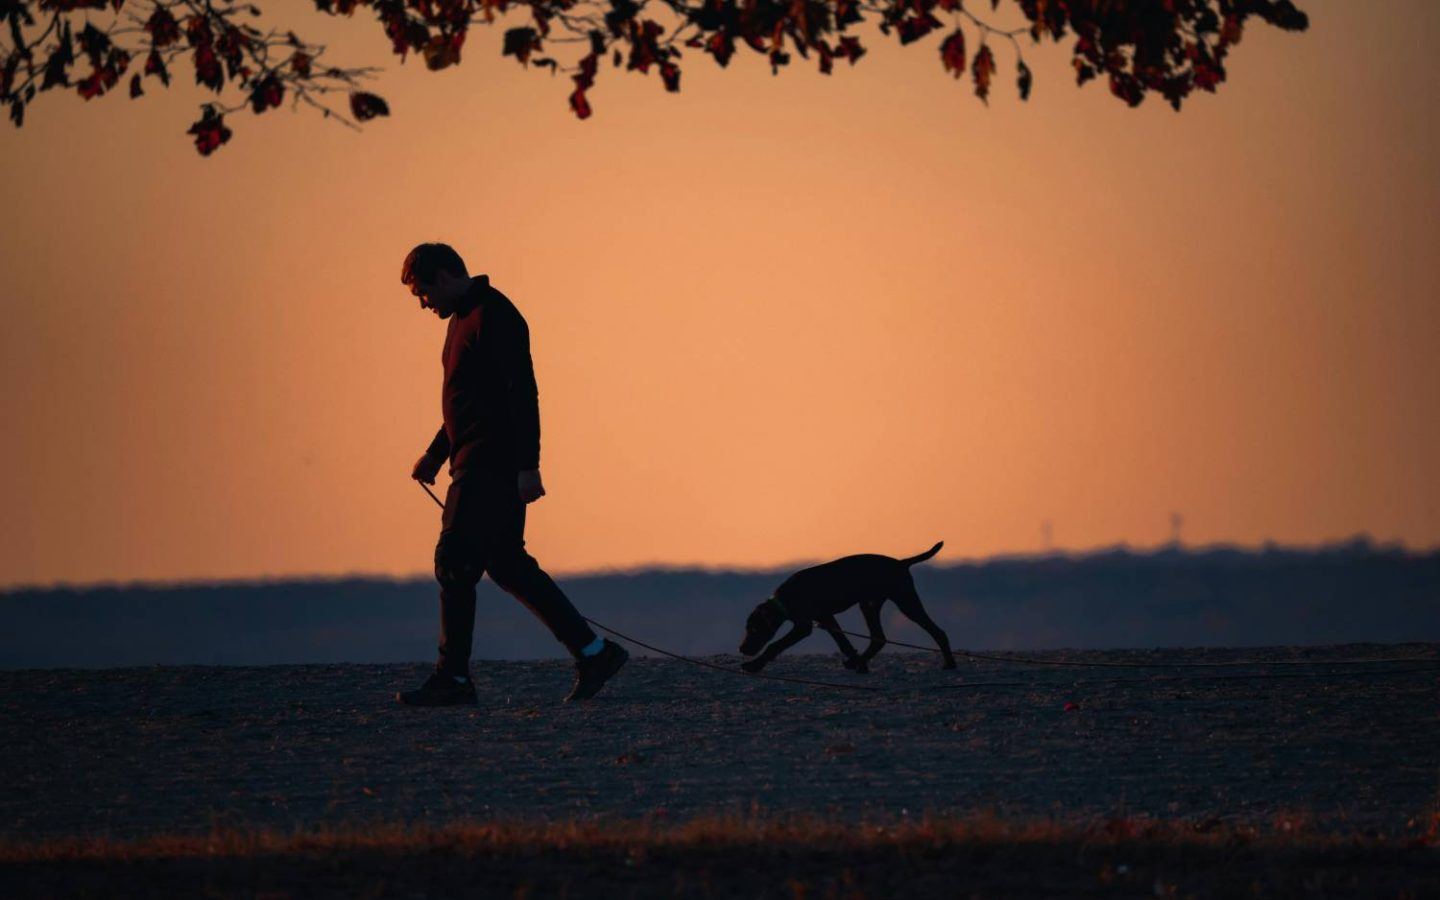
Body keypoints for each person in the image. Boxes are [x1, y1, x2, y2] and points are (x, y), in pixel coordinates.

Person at [395, 243, 627, 706]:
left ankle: (453, 679)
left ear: (444, 275)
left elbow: (522, 394)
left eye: (423, 293)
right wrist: (435, 455)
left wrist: (529, 467)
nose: (424, 304)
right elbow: (467, 403)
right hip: (472, 461)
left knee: (455, 561)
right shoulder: (461, 321)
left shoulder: (495, 315)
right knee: (506, 564)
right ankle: (593, 652)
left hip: (491, 465)